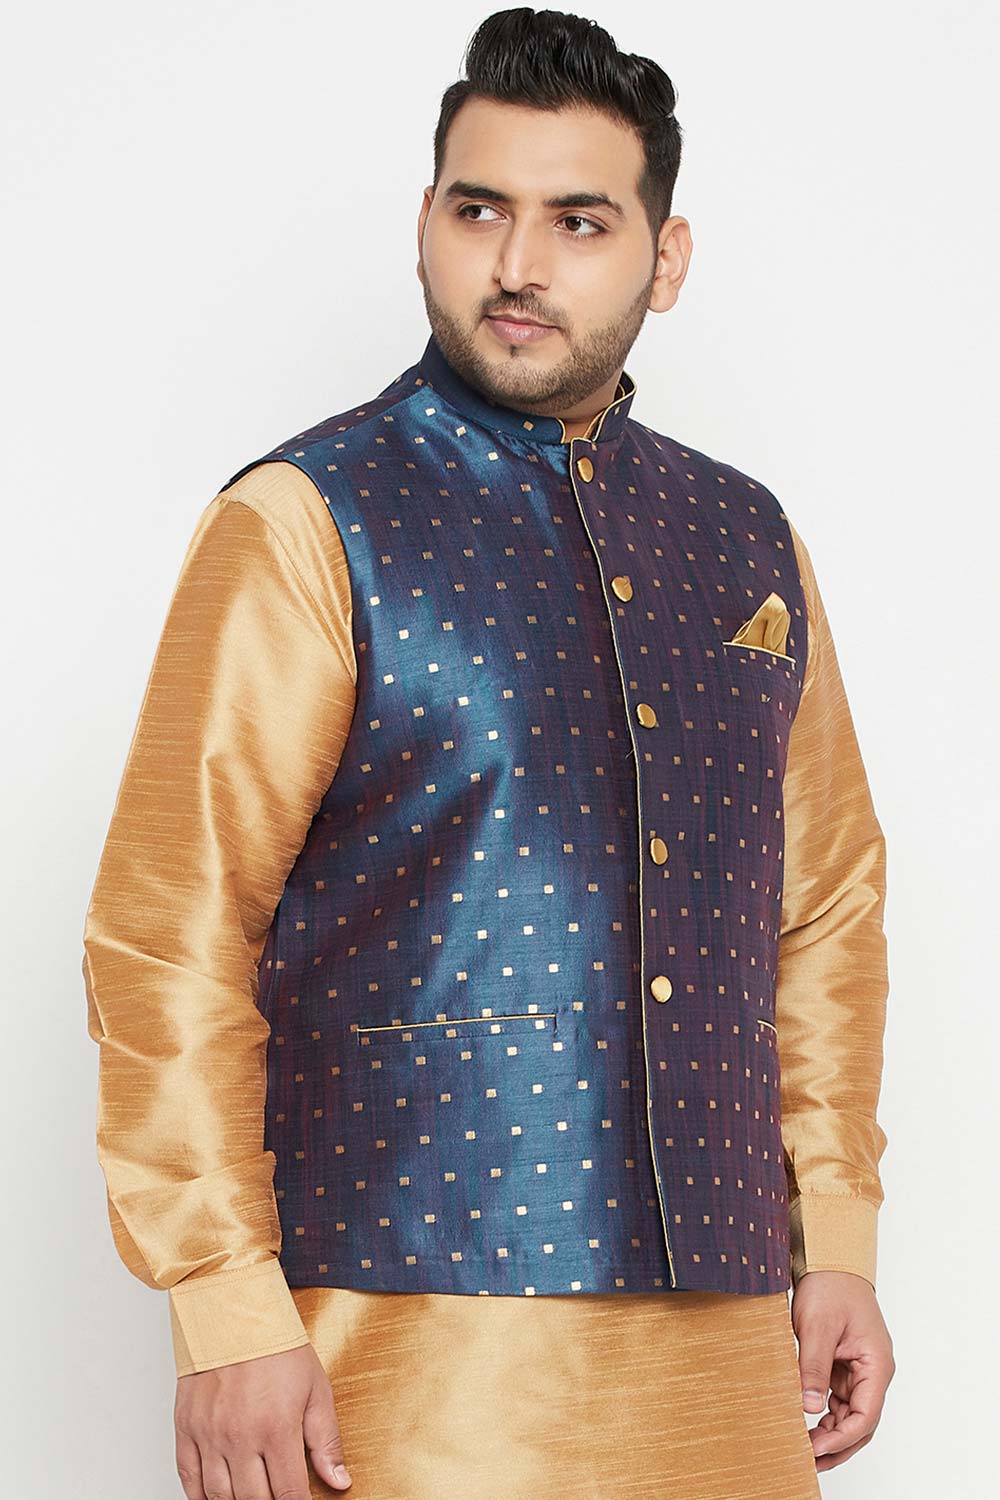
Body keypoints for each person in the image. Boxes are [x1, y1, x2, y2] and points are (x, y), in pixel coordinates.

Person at [82, 8, 895, 1497]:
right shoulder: (310, 520)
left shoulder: (745, 538)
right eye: (479, 211)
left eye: (579, 221)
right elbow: (172, 929)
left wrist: (833, 1235)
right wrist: (223, 1304)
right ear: (426, 225)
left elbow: (824, 907)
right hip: (398, 1347)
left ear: (664, 258)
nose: (519, 264)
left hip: (731, 1342)